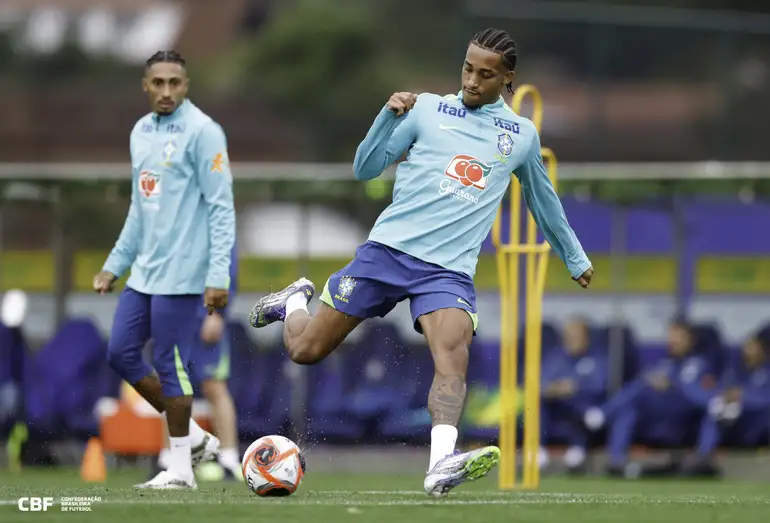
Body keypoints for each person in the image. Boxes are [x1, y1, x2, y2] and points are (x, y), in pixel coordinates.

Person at [249, 27, 593, 497]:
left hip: (447, 272)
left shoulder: (520, 136)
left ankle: (439, 464)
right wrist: (385, 117)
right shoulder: (426, 109)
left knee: (453, 356)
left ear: (507, 79)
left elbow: (543, 200)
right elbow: (365, 168)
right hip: (386, 253)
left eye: (485, 74)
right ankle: (293, 302)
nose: (471, 80)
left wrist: (574, 256)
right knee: (305, 351)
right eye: (467, 69)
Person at [94, 50, 236, 489]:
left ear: (186, 85)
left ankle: (180, 470)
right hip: (145, 272)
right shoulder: (140, 132)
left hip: (184, 273)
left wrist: (219, 275)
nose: (167, 91)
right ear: (146, 86)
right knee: (120, 353)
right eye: (158, 83)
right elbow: (140, 209)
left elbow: (221, 208)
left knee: (170, 365)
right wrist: (114, 264)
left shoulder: (204, 131)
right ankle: (193, 437)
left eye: (175, 82)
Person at [584, 318, 717, 478]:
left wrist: (674, 384)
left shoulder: (700, 364)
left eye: (678, 337)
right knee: (635, 396)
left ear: (690, 340)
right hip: (657, 421)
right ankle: (617, 462)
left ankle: (701, 461)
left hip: (685, 423)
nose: (673, 341)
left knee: (711, 411)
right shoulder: (664, 364)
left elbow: (701, 397)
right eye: (671, 336)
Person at [154, 241, 242, 481]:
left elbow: (227, 266)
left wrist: (218, 312)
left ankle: (229, 460)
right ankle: (168, 459)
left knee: (214, 386)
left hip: (205, 316)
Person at [540, 318, 608, 474]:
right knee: (538, 403)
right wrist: (557, 389)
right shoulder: (556, 357)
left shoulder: (596, 357)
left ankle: (578, 448)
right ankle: (538, 449)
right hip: (556, 406)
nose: (572, 339)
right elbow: (542, 384)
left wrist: (576, 387)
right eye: (569, 335)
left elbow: (600, 386)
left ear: (586, 337)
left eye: (576, 335)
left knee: (580, 403)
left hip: (584, 409)